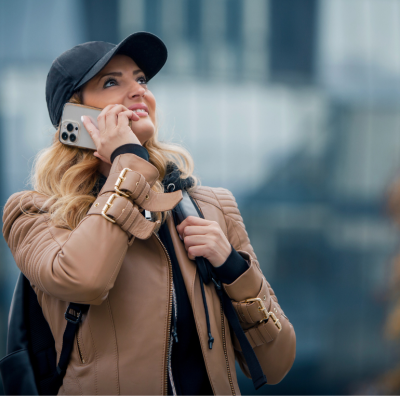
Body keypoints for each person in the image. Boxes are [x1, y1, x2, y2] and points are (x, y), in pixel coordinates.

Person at [2, 32, 296, 395]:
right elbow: (85, 280)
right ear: (75, 117)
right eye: (111, 82)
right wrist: (129, 165)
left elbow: (277, 363)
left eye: (141, 79)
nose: (139, 90)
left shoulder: (211, 207)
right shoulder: (34, 212)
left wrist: (233, 269)